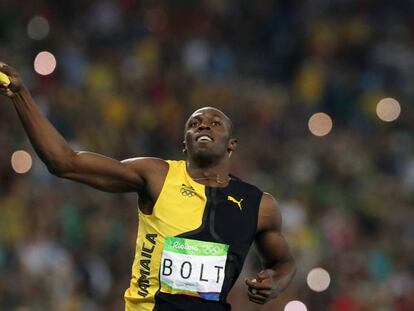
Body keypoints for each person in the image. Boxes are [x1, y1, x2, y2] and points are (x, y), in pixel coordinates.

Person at [0, 62, 296, 311]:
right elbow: (65, 162)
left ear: (232, 144)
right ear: (184, 144)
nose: (203, 125)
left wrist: (274, 283)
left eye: (215, 122)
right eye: (194, 123)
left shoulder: (260, 206)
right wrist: (20, 94)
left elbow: (283, 263)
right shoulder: (157, 175)